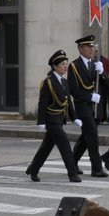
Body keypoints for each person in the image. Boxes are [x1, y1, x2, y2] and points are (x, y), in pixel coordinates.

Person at [26, 50, 83, 183]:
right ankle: (72, 173)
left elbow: (68, 102)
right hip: (51, 119)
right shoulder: (48, 82)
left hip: (59, 119)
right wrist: (40, 121)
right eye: (63, 64)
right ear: (55, 66)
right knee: (65, 145)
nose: (65, 66)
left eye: (66, 64)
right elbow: (43, 103)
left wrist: (74, 118)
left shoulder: (64, 81)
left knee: (46, 147)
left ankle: (33, 169)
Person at [66, 34, 108, 178]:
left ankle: (71, 163)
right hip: (83, 106)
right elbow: (72, 89)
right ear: (80, 49)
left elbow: (105, 85)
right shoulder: (74, 66)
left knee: (86, 137)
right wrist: (89, 96)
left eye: (92, 47)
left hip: (96, 107)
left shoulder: (95, 64)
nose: (91, 49)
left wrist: (102, 73)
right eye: (88, 47)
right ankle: (96, 168)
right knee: (93, 137)